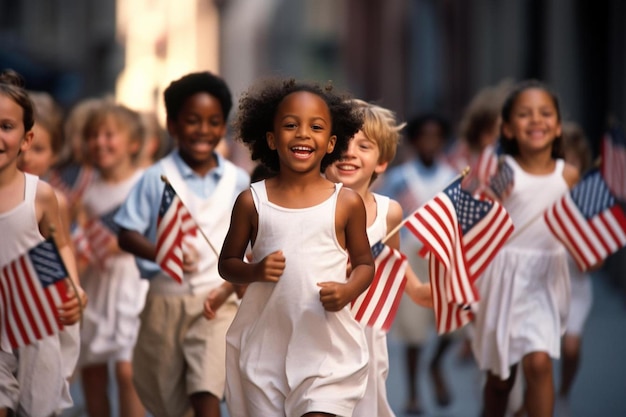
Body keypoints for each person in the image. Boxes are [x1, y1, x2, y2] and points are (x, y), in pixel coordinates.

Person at [218, 78, 374, 417]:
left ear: (331, 142)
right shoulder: (251, 201)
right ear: (271, 138)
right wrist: (255, 270)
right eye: (291, 125)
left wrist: (348, 290)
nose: (303, 133)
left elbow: (365, 264)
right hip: (265, 350)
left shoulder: (345, 203)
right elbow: (227, 263)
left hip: (326, 349)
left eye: (315, 127)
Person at [114, 71, 249, 417]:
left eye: (213, 122)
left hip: (217, 300)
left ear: (224, 127)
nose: (203, 130)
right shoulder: (155, 177)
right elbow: (126, 232)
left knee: (206, 388)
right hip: (165, 302)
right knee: (168, 396)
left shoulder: (238, 181)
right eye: (192, 121)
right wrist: (162, 251)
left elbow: (254, 237)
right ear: (172, 126)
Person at [470, 80, 579, 417]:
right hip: (504, 278)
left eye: (545, 113)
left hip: (546, 279)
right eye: (524, 114)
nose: (536, 120)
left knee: (539, 363)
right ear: (508, 128)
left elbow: (577, 227)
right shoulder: (506, 172)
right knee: (502, 378)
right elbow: (478, 220)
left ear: (558, 127)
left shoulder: (570, 176)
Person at [324, 99, 432, 417]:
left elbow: (394, 266)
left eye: (364, 145)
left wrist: (422, 290)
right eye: (341, 142)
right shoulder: (310, 206)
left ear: (381, 162)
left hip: (365, 333)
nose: (349, 152)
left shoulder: (389, 212)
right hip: (317, 329)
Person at [0, 70, 86, 416]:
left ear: (26, 138)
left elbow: (60, 244)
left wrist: (76, 289)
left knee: (37, 408)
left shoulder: (42, 196)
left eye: (6, 126)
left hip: (35, 320)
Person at [374, 112, 457, 414]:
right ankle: (413, 393)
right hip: (411, 252)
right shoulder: (401, 178)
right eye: (424, 136)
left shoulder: (452, 177)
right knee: (412, 329)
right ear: (415, 141)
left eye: (436, 137)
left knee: (455, 322)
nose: (430, 143)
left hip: (443, 254)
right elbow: (384, 214)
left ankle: (435, 365)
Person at [76, 102, 149, 417]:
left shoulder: (145, 182)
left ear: (132, 143)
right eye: (93, 135)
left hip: (133, 288)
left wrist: (123, 243)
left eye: (109, 134)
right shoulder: (88, 193)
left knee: (126, 372)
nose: (100, 142)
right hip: (98, 287)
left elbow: (164, 234)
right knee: (92, 373)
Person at [557, 121, 595, 413]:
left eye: (573, 159)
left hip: (575, 286)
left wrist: (579, 246)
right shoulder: (543, 196)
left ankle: (563, 392)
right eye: (560, 158)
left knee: (571, 348)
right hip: (540, 282)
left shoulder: (588, 202)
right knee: (536, 356)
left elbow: (596, 262)